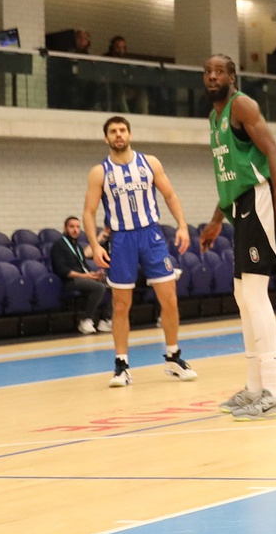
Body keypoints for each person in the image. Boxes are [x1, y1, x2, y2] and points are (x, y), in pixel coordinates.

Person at [194, 57, 276, 419]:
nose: (212, 77)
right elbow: (231, 175)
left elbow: (274, 152)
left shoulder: (242, 104)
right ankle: (254, 388)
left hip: (262, 200)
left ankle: (274, 391)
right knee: (242, 294)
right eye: (207, 72)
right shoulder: (214, 118)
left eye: (219, 72)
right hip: (240, 206)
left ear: (232, 77)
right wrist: (215, 221)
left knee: (254, 293)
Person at [81, 116, 197, 389]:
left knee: (169, 299)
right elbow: (89, 211)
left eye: (122, 130)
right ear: (106, 138)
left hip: (152, 235)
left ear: (130, 134)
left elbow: (170, 195)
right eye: (113, 131)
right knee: (121, 305)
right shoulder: (100, 172)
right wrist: (95, 245)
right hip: (121, 240)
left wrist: (182, 225)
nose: (118, 135)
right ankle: (122, 365)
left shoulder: (150, 163)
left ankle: (173, 357)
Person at [49, 215, 110, 334]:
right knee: (99, 287)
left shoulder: (77, 246)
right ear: (65, 228)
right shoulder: (59, 246)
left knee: (111, 284)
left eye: (77, 227)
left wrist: (94, 274)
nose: (75, 230)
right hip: (69, 281)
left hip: (83, 279)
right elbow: (61, 270)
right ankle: (86, 320)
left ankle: (106, 319)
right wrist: (85, 276)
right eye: (72, 227)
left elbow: (83, 266)